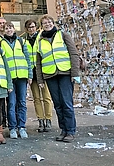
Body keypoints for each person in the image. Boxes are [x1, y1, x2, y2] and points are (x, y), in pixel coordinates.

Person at [36, 14, 79, 143]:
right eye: (44, 23)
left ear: (53, 23)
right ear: (41, 26)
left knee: (67, 103)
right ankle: (63, 130)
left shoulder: (63, 35)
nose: (47, 24)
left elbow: (73, 53)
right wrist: (40, 80)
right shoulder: (40, 40)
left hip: (65, 73)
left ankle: (70, 131)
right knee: (58, 104)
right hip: (50, 75)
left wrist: (75, 73)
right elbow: (38, 61)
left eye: (49, 22)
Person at [0, 22, 32, 139]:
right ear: (3, 31)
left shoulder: (21, 41)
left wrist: (30, 75)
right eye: (6, 28)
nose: (9, 30)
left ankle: (21, 127)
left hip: (22, 76)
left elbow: (28, 58)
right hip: (10, 78)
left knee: (22, 102)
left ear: (14, 29)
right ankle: (13, 127)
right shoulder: (1, 43)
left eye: (10, 28)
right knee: (11, 103)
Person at [24, 19, 53, 133]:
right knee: (36, 98)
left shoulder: (41, 38)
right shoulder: (24, 41)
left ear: (36, 27)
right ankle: (41, 120)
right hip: (32, 72)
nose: (31, 29)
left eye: (33, 27)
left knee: (46, 97)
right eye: (29, 27)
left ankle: (48, 120)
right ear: (26, 29)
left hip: (42, 71)